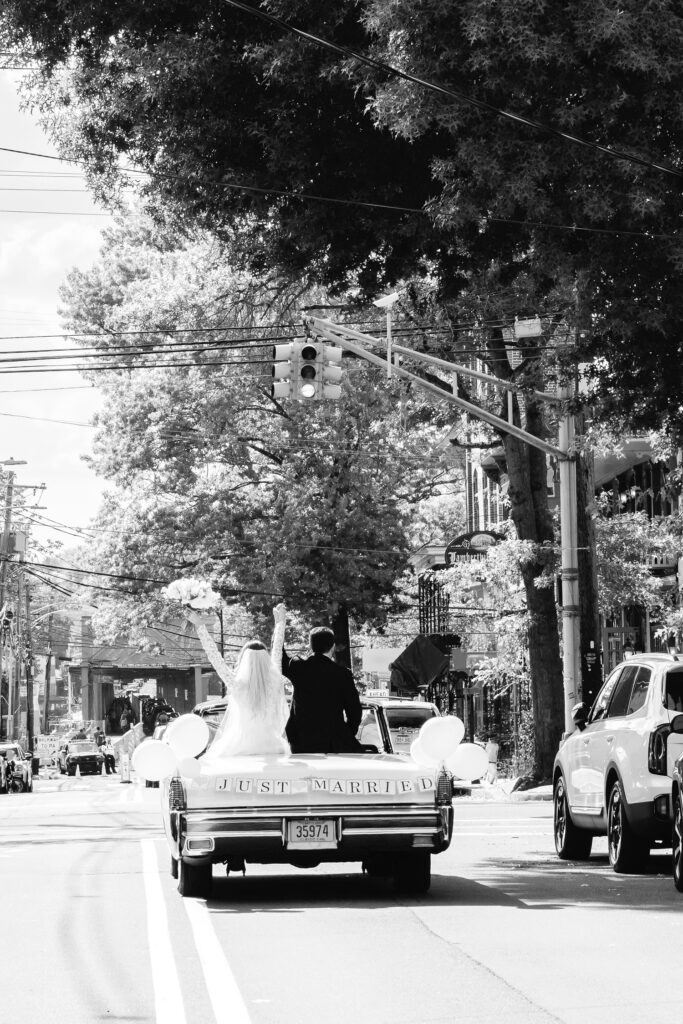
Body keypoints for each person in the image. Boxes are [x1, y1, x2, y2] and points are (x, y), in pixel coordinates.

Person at [185, 602, 290, 758]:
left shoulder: (237, 684)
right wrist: (280, 623)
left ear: (243, 660)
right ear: (266, 660)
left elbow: (214, 657)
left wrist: (200, 625)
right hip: (272, 747)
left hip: (240, 747)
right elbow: (277, 651)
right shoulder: (274, 682)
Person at [282, 625, 363, 754]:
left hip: (301, 742)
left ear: (310, 646)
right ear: (332, 647)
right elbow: (354, 711)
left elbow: (280, 659)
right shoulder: (342, 674)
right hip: (333, 742)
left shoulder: (298, 667)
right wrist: (345, 733)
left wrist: (280, 626)